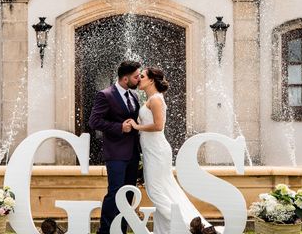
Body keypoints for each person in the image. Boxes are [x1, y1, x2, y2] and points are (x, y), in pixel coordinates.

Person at [129, 67, 212, 234]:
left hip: (157, 151)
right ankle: (165, 231)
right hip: (151, 150)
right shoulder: (151, 99)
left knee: (156, 192)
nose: (139, 79)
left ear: (151, 80)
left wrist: (137, 126)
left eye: (143, 76)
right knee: (167, 190)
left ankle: (186, 227)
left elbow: (159, 126)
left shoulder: (156, 100)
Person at [88, 60, 142, 234]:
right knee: (114, 192)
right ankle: (105, 231)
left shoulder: (133, 96)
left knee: (129, 194)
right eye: (136, 76)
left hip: (133, 153)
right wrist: (119, 127)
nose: (139, 79)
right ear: (125, 79)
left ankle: (121, 230)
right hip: (116, 153)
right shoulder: (105, 95)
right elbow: (94, 121)